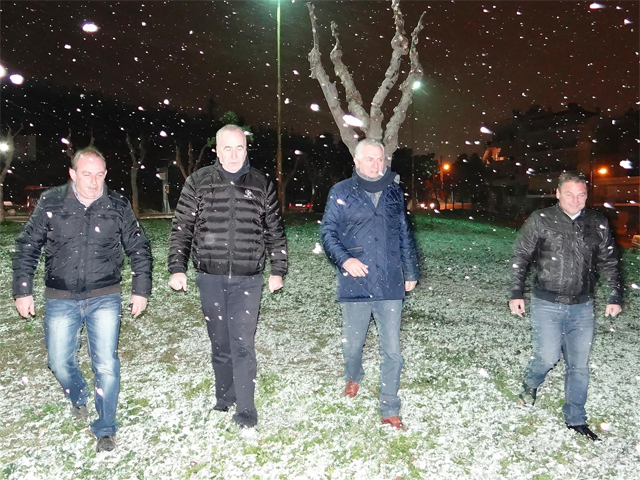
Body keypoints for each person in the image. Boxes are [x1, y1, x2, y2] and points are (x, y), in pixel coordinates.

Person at [12, 146, 153, 452]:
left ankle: (105, 428)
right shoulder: (52, 201)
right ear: (72, 174)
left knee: (106, 364)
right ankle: (78, 394)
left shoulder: (117, 204)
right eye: (87, 174)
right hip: (60, 296)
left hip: (105, 295)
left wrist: (140, 288)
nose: (93, 181)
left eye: (99, 174)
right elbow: (28, 246)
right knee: (58, 362)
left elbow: (139, 247)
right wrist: (23, 290)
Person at [168, 124, 287, 430]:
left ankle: (246, 410)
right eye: (227, 148)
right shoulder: (198, 181)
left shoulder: (260, 183)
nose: (234, 155)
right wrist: (177, 267)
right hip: (209, 277)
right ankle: (225, 396)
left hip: (248, 279)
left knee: (243, 344)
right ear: (217, 151)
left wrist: (278, 269)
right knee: (220, 343)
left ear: (246, 150)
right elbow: (182, 227)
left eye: (239, 148)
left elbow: (274, 229)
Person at [509, 171, 622, 441]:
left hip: (582, 306)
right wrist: (516, 292)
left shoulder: (597, 222)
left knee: (579, 365)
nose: (575, 199)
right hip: (547, 303)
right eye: (569, 194)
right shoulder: (541, 219)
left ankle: (575, 418)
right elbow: (521, 256)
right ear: (558, 194)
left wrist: (615, 295)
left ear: (586, 196)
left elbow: (609, 261)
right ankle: (531, 382)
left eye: (581, 194)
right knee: (547, 357)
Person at [320, 138, 419, 430]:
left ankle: (389, 406)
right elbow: (328, 233)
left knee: (393, 351)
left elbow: (403, 232)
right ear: (357, 161)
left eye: (380, 159)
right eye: (370, 159)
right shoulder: (341, 191)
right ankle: (354, 375)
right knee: (353, 346)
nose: (376, 165)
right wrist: (345, 260)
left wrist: (411, 271)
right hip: (356, 282)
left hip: (389, 281)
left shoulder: (394, 191)